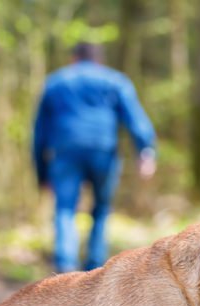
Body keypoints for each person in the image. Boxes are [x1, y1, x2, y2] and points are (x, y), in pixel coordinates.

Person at [32, 42, 157, 272]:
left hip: (65, 153)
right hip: (103, 152)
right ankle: (95, 268)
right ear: (99, 60)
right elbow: (136, 119)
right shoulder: (115, 81)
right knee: (100, 209)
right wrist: (145, 150)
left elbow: (39, 132)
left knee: (65, 209)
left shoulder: (56, 82)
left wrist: (42, 174)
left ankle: (65, 265)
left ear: (74, 59)